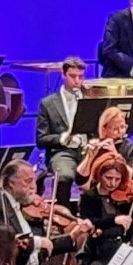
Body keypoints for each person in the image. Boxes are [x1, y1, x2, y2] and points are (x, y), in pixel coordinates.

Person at [35, 56, 90, 199]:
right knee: (64, 177)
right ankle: (64, 211)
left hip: (88, 151)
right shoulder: (48, 103)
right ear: (63, 74)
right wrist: (62, 138)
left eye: (80, 77)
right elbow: (41, 140)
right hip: (62, 152)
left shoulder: (90, 98)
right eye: (73, 76)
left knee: (108, 169)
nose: (77, 81)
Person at [76, 105, 133, 185]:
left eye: (123, 127)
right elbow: (80, 181)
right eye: (115, 129)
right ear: (104, 129)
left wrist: (115, 154)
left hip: (121, 188)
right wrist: (90, 157)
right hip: (95, 187)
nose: (120, 132)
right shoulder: (95, 145)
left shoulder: (130, 146)